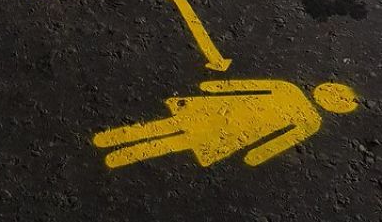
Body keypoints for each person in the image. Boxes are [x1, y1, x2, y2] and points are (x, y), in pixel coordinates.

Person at [94, 78, 358, 170]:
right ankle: (122, 155)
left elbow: (244, 88)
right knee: (179, 141)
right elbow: (279, 142)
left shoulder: (288, 89)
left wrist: (213, 87)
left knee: (172, 125)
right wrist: (255, 155)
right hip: (237, 133)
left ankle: (114, 139)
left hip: (224, 111)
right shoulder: (311, 121)